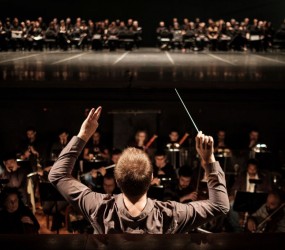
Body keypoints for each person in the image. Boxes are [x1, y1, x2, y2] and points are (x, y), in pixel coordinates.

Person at [49, 107, 229, 234]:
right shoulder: (170, 215)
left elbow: (57, 174)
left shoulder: (99, 207)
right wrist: (208, 159)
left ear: (118, 181)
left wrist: (83, 135)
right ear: (151, 178)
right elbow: (220, 205)